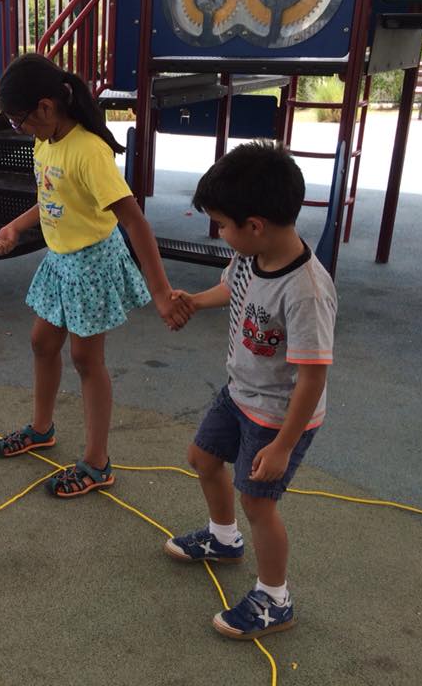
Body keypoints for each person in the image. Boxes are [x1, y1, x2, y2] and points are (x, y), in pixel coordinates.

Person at [0, 53, 191, 497]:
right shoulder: (45, 141)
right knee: (42, 343)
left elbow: (135, 221)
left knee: (85, 360)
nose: (19, 128)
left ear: (46, 107)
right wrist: (16, 226)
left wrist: (161, 293)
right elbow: (51, 196)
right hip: (61, 259)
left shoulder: (88, 151)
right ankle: (42, 428)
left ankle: (98, 463)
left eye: (19, 120)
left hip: (92, 263)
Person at [165, 140, 338, 639]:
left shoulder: (305, 291)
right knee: (202, 457)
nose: (219, 233)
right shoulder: (249, 257)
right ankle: (223, 539)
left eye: (221, 224)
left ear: (255, 225)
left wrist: (283, 444)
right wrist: (196, 301)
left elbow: (313, 377)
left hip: (279, 414)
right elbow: (233, 288)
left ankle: (275, 598)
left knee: (259, 503)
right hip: (239, 391)